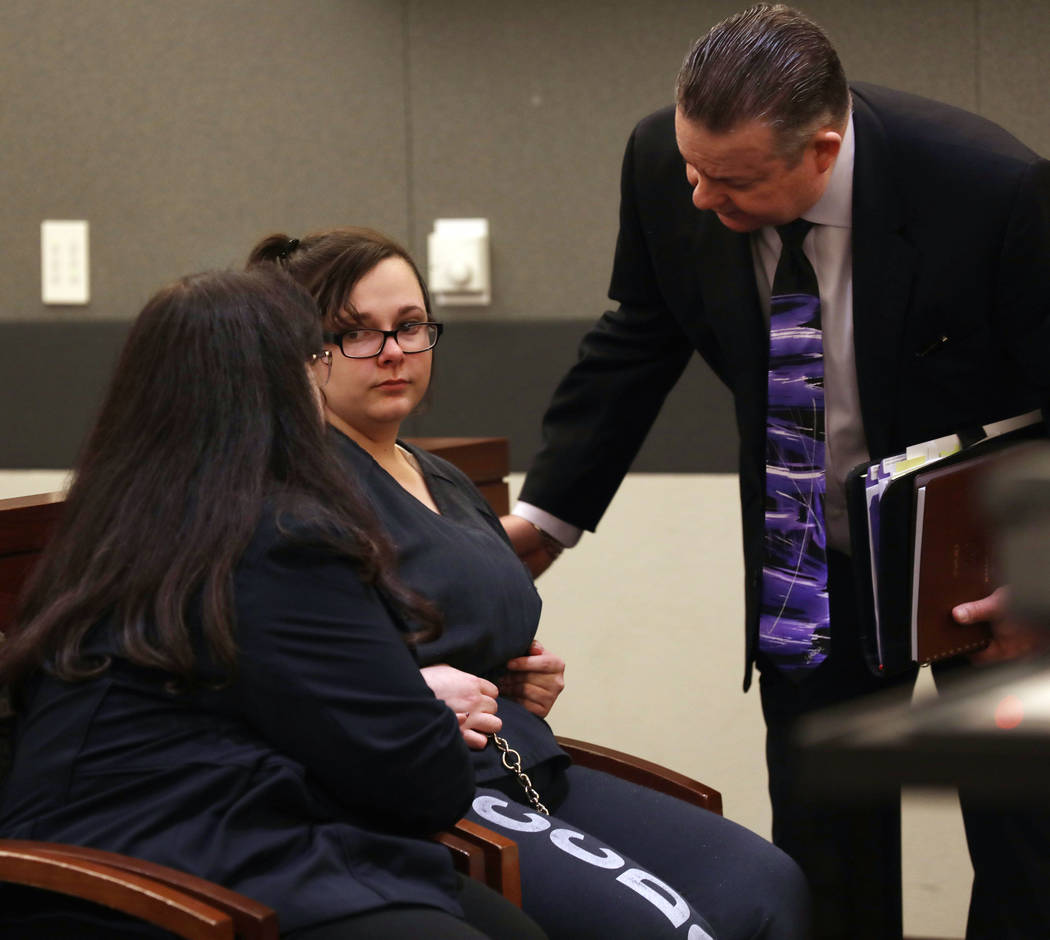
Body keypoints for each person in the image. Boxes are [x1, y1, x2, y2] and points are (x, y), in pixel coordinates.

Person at [501, 4, 1050, 939]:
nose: (702, 201)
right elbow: (639, 339)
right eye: (692, 171)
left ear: (822, 150)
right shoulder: (666, 163)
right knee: (822, 847)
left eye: (734, 183)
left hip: (983, 564)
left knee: (1024, 847)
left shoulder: (990, 188)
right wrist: (545, 519)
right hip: (810, 561)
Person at [248, 227, 811, 940]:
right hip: (427, 787)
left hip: (526, 755)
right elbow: (299, 668)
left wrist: (516, 673)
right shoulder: (296, 494)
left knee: (764, 885)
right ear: (304, 351)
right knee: (668, 931)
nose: (393, 352)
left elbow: (476, 620)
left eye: (410, 326)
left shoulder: (437, 473)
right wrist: (412, 687)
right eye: (355, 333)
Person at [0, 268, 544, 940]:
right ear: (283, 386)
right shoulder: (282, 537)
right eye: (320, 354)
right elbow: (423, 783)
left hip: (84, 867)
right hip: (190, 877)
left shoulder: (112, 524)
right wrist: (424, 704)